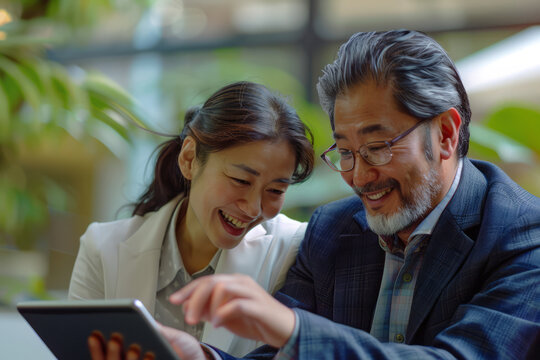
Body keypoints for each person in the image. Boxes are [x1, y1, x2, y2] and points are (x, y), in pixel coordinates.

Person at [91, 29, 540, 360]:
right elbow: (274, 354)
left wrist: (295, 330)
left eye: (377, 146)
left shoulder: (521, 234)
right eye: (344, 151)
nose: (360, 176)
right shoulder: (333, 230)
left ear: (444, 133)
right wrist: (201, 358)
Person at [69, 80, 315, 357]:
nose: (253, 208)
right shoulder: (102, 248)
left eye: (275, 190)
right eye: (240, 180)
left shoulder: (295, 249)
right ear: (188, 158)